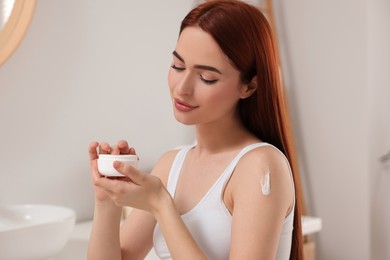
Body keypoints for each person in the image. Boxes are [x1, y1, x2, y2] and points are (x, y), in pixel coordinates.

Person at [88, 0, 304, 259]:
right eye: (178, 66)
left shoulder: (260, 166)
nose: (182, 88)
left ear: (249, 86)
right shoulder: (171, 164)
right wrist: (107, 201)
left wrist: (161, 205)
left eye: (206, 77)